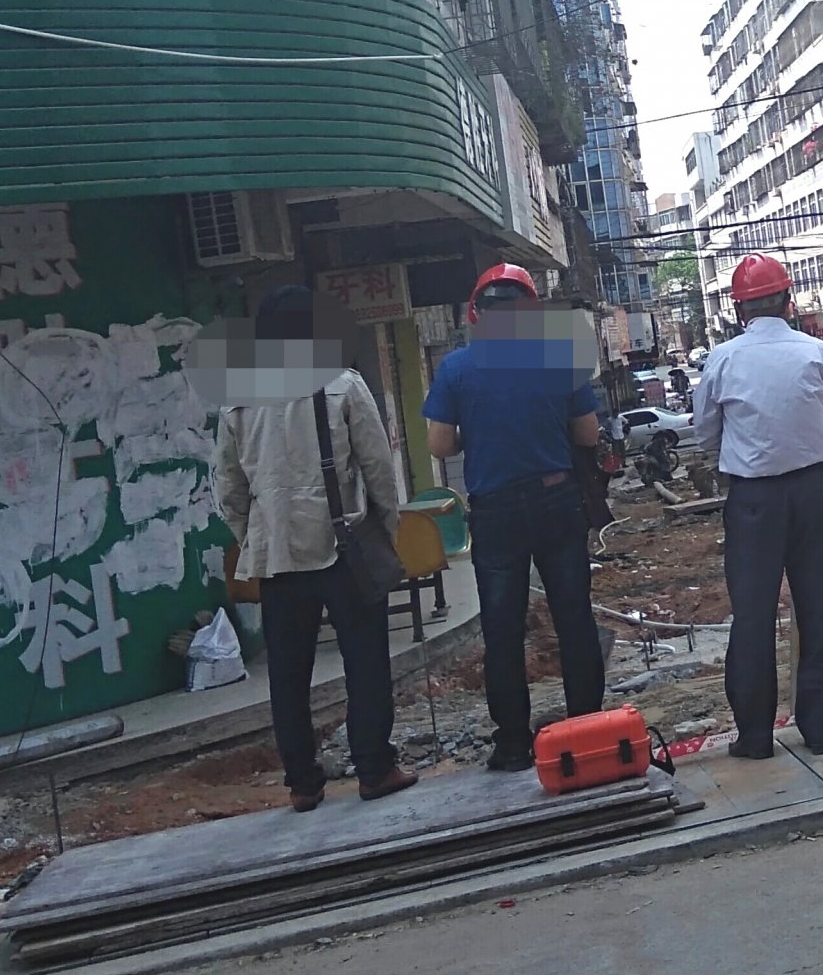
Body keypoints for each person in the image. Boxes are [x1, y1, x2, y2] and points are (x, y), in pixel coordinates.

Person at [214, 285, 417, 811]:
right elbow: (378, 468)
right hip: (342, 547)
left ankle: (303, 783)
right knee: (365, 662)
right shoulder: (341, 384)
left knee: (287, 674)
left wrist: (252, 537)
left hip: (277, 559)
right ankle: (374, 768)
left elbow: (228, 487)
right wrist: (384, 531)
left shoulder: (238, 397)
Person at [423, 263, 606, 772]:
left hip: (496, 511)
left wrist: (476, 433)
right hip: (556, 501)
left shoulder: (456, 368)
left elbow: (439, 444)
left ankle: (511, 745)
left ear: (475, 312)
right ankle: (588, 728)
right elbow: (588, 434)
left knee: (502, 629)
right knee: (574, 617)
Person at [696, 254, 823, 757]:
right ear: (788, 301)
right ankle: (821, 730)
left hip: (752, 499)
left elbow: (706, 433)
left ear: (738, 309)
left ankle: (755, 735)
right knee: (821, 607)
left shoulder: (723, 360)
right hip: (812, 492)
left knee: (753, 615)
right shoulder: (818, 353)